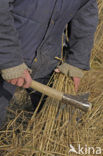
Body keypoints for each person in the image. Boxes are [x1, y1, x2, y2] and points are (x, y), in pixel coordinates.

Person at [0, 0, 98, 127]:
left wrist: (76, 62)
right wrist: (10, 59)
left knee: (55, 123)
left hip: (47, 60)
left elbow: (86, 14)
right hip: (7, 55)